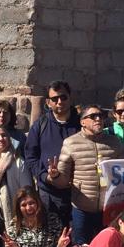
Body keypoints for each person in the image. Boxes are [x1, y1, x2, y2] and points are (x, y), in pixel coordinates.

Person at [47, 105, 124, 245]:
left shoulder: (114, 142)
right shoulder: (71, 143)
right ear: (82, 122)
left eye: (100, 116)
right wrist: (55, 176)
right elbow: (63, 181)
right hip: (82, 209)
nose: (98, 119)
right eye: (93, 116)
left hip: (108, 209)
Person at [24, 81, 81, 224]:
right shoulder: (40, 125)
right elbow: (31, 158)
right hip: (49, 195)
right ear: (48, 102)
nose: (59, 102)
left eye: (63, 97)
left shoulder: (81, 124)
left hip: (78, 195)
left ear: (70, 98)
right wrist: (45, 176)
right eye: (55, 99)